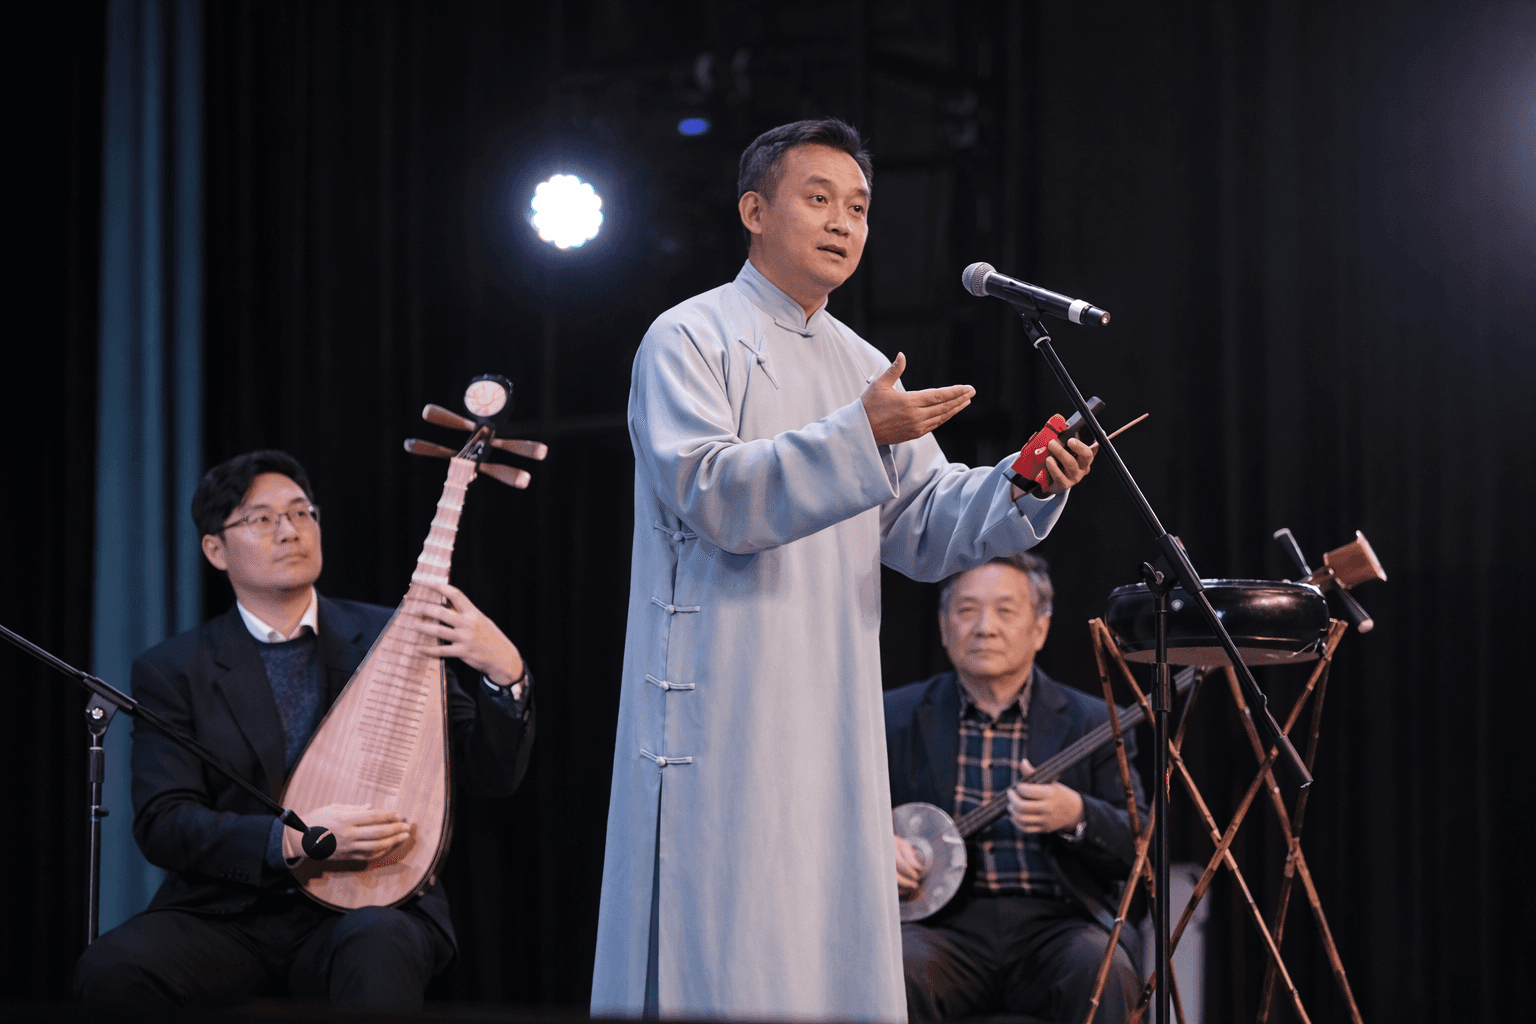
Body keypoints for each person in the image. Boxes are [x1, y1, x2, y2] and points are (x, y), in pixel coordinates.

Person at [591, 118, 1097, 1021]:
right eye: (817, 199)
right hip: (721, 699)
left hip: (828, 701)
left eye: (858, 207)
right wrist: (859, 433)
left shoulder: (863, 366)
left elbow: (927, 528)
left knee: (824, 946)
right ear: (754, 210)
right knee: (728, 941)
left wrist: (1023, 484)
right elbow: (710, 491)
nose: (842, 223)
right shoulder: (689, 337)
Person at [74, 450, 535, 1011]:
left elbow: (489, 774)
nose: (289, 531)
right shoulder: (173, 669)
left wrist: (504, 672)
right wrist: (288, 841)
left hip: (374, 903)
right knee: (111, 968)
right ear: (215, 550)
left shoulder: (391, 633)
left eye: (302, 512)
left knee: (378, 946)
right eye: (262, 519)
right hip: (230, 912)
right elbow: (164, 822)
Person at [886, 553, 1145, 1023]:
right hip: (941, 927)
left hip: (1058, 924)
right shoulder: (893, 716)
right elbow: (839, 821)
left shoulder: (1095, 720)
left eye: (1005, 610)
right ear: (944, 626)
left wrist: (1077, 814)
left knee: (1101, 969)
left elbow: (1143, 841)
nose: (984, 627)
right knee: (897, 970)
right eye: (966, 610)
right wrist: (881, 844)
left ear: (1040, 627)